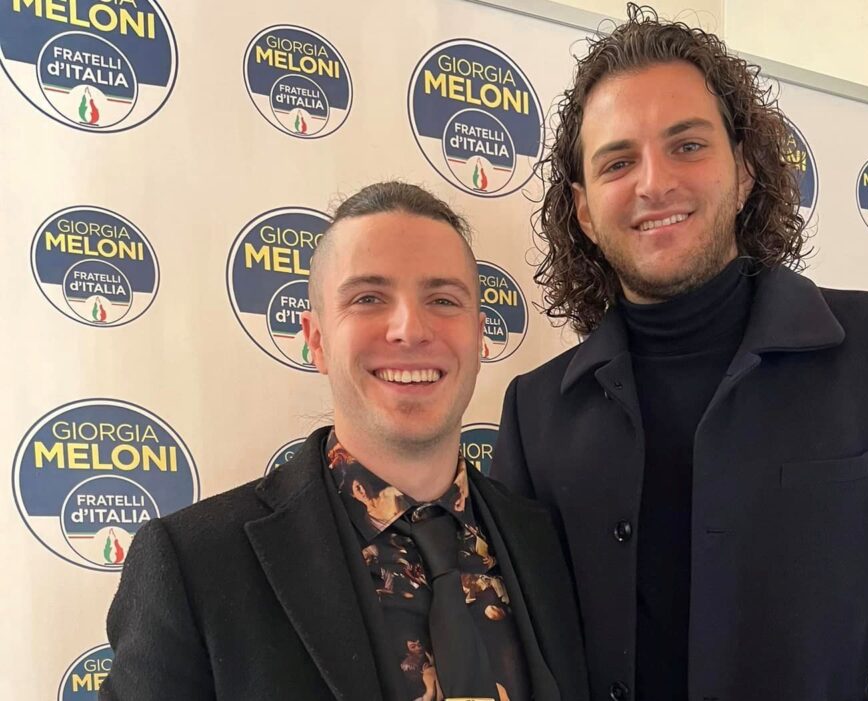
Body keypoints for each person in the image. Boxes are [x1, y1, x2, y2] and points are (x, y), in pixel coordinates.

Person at [490, 6, 868, 701]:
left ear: (743, 171)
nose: (654, 182)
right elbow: (511, 654)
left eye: (687, 145)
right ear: (585, 210)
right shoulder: (534, 412)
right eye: (618, 162)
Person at [102, 182, 587, 701]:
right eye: (369, 298)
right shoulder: (194, 563)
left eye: (443, 300)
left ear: (479, 335)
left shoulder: (545, 541)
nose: (410, 329)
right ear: (316, 340)